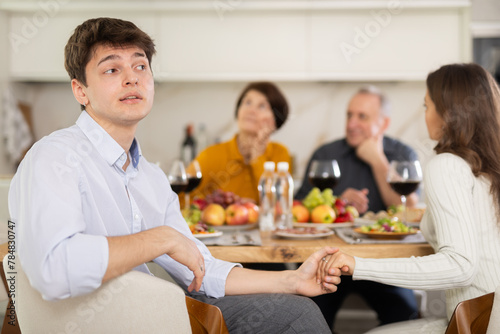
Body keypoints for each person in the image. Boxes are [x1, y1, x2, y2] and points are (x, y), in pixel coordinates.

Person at [8, 17, 342, 333]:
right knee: (296, 317)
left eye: (140, 66)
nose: (132, 78)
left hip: (156, 310)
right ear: (80, 90)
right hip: (102, 322)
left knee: (295, 304)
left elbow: (200, 268)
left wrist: (291, 281)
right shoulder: (55, 156)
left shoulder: (150, 178)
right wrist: (160, 238)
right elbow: (53, 269)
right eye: (112, 68)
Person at [319, 63, 500, 333]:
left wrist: (358, 264)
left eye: (427, 107)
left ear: (448, 114)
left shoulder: (447, 165)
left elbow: (461, 265)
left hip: (477, 323)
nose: (424, 116)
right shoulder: (488, 166)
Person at [296, 86, 420, 329]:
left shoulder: (402, 154)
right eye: (349, 115)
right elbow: (298, 210)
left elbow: (409, 211)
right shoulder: (326, 154)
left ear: (384, 123)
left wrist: (377, 161)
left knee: (405, 314)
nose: (352, 123)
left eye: (362, 117)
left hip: (384, 266)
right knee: (308, 315)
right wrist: (338, 201)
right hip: (330, 265)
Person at [187, 81, 291, 204]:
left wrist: (257, 157)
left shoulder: (279, 153)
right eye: (247, 102)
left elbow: (279, 205)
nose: (251, 110)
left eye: (262, 106)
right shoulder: (210, 155)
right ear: (238, 111)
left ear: (276, 120)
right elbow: (181, 199)